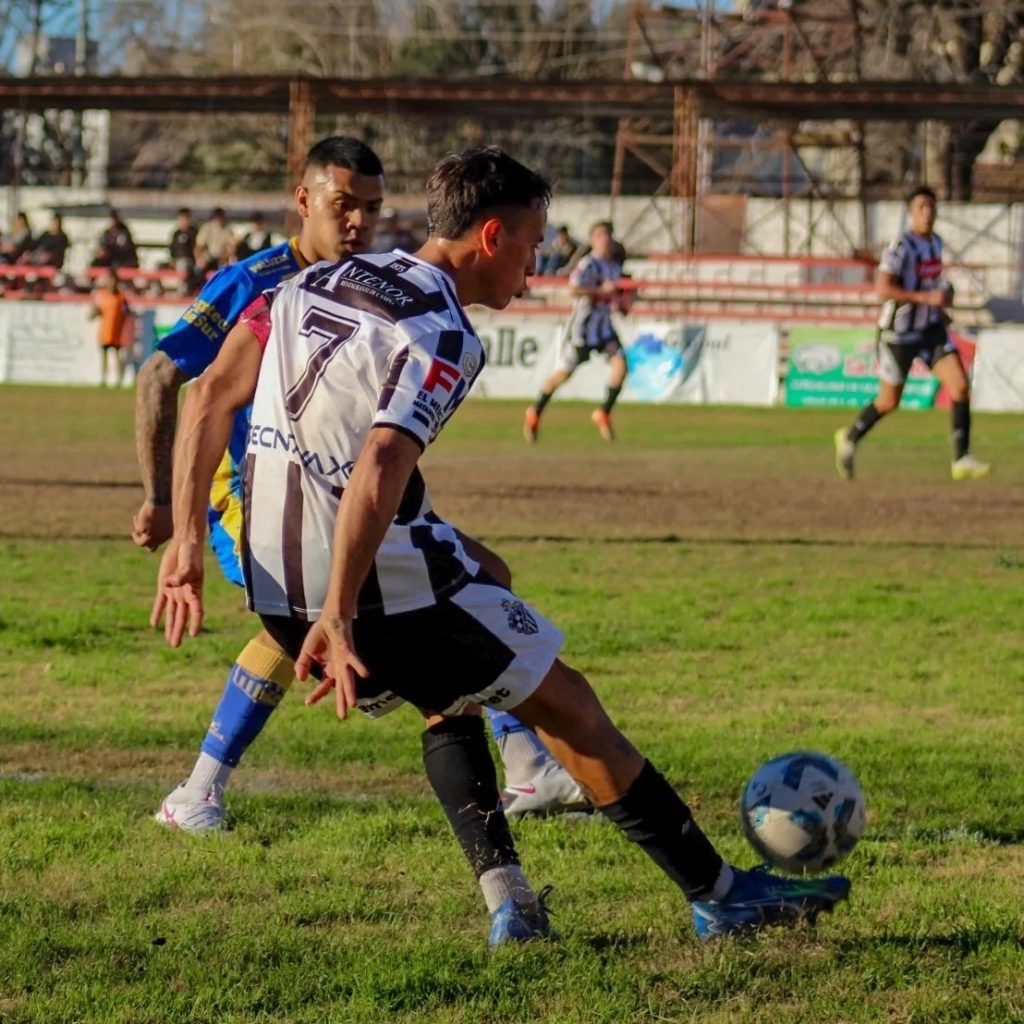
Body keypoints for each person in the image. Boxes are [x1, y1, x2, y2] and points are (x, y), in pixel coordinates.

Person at [159, 144, 851, 941]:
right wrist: (344, 612)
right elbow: (381, 462)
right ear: (491, 238)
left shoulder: (307, 281)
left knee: (469, 625)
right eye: (532, 243)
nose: (537, 264)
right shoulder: (443, 330)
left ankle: (512, 904)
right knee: (572, 705)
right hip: (354, 589)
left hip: (269, 578)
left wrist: (185, 545)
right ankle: (721, 893)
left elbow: (209, 393)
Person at [133, 136, 582, 838]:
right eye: (344, 206)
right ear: (303, 200)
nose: (358, 224)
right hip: (258, 488)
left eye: (371, 210)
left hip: (343, 486)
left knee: (482, 574)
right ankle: (198, 788)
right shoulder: (260, 279)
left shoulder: (375, 277)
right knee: (309, 619)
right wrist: (170, 508)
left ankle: (521, 758)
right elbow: (175, 379)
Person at [834, 187, 990, 481]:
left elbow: (932, 283)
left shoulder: (935, 244)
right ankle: (849, 437)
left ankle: (961, 459)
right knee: (889, 402)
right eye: (921, 207)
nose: (927, 213)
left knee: (959, 386)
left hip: (929, 329)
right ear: (911, 212)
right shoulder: (900, 247)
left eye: (931, 207)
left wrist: (942, 303)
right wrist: (925, 299)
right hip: (898, 335)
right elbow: (882, 289)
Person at [524, 221, 628, 443]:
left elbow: (617, 297)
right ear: (592, 240)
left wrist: (622, 302)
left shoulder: (614, 265)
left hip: (604, 327)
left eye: (608, 235)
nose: (606, 239)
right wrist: (600, 290)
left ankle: (603, 412)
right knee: (563, 375)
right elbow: (573, 289)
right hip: (583, 329)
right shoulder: (588, 264)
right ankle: (535, 411)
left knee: (621, 366)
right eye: (601, 235)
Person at [89, 271, 133, 387]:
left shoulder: (121, 297)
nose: (112, 283)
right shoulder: (101, 295)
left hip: (117, 331)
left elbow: (127, 311)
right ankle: (103, 378)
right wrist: (94, 311)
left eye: (114, 281)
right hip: (104, 331)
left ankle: (119, 380)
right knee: (104, 355)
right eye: (110, 280)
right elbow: (92, 314)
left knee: (118, 355)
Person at [195, 207, 236, 276]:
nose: (219, 219)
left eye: (221, 216)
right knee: (198, 269)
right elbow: (199, 246)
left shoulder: (228, 229)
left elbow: (231, 248)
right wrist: (199, 258)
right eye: (217, 217)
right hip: (208, 257)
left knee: (231, 265)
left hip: (222, 257)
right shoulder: (207, 228)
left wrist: (224, 258)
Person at [168, 208, 198, 292]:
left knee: (183, 264)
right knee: (158, 266)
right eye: (180, 219)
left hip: (189, 261)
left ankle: (182, 291)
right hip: (176, 260)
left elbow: (195, 249)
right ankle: (157, 292)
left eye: (185, 218)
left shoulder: (194, 232)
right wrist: (173, 259)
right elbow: (172, 249)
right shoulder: (176, 233)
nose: (182, 221)